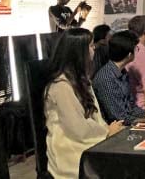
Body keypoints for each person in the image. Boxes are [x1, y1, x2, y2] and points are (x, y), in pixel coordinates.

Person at [44, 28, 124, 178]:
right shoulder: (61, 86)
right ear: (79, 52)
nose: (94, 50)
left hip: (88, 139)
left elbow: (95, 117)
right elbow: (77, 128)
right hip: (70, 149)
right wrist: (107, 132)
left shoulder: (82, 80)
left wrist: (108, 130)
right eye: (91, 46)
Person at [93, 30, 145, 125]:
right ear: (129, 55)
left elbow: (131, 107)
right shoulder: (106, 78)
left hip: (127, 123)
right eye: (136, 49)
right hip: (117, 129)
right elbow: (118, 117)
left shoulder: (123, 72)